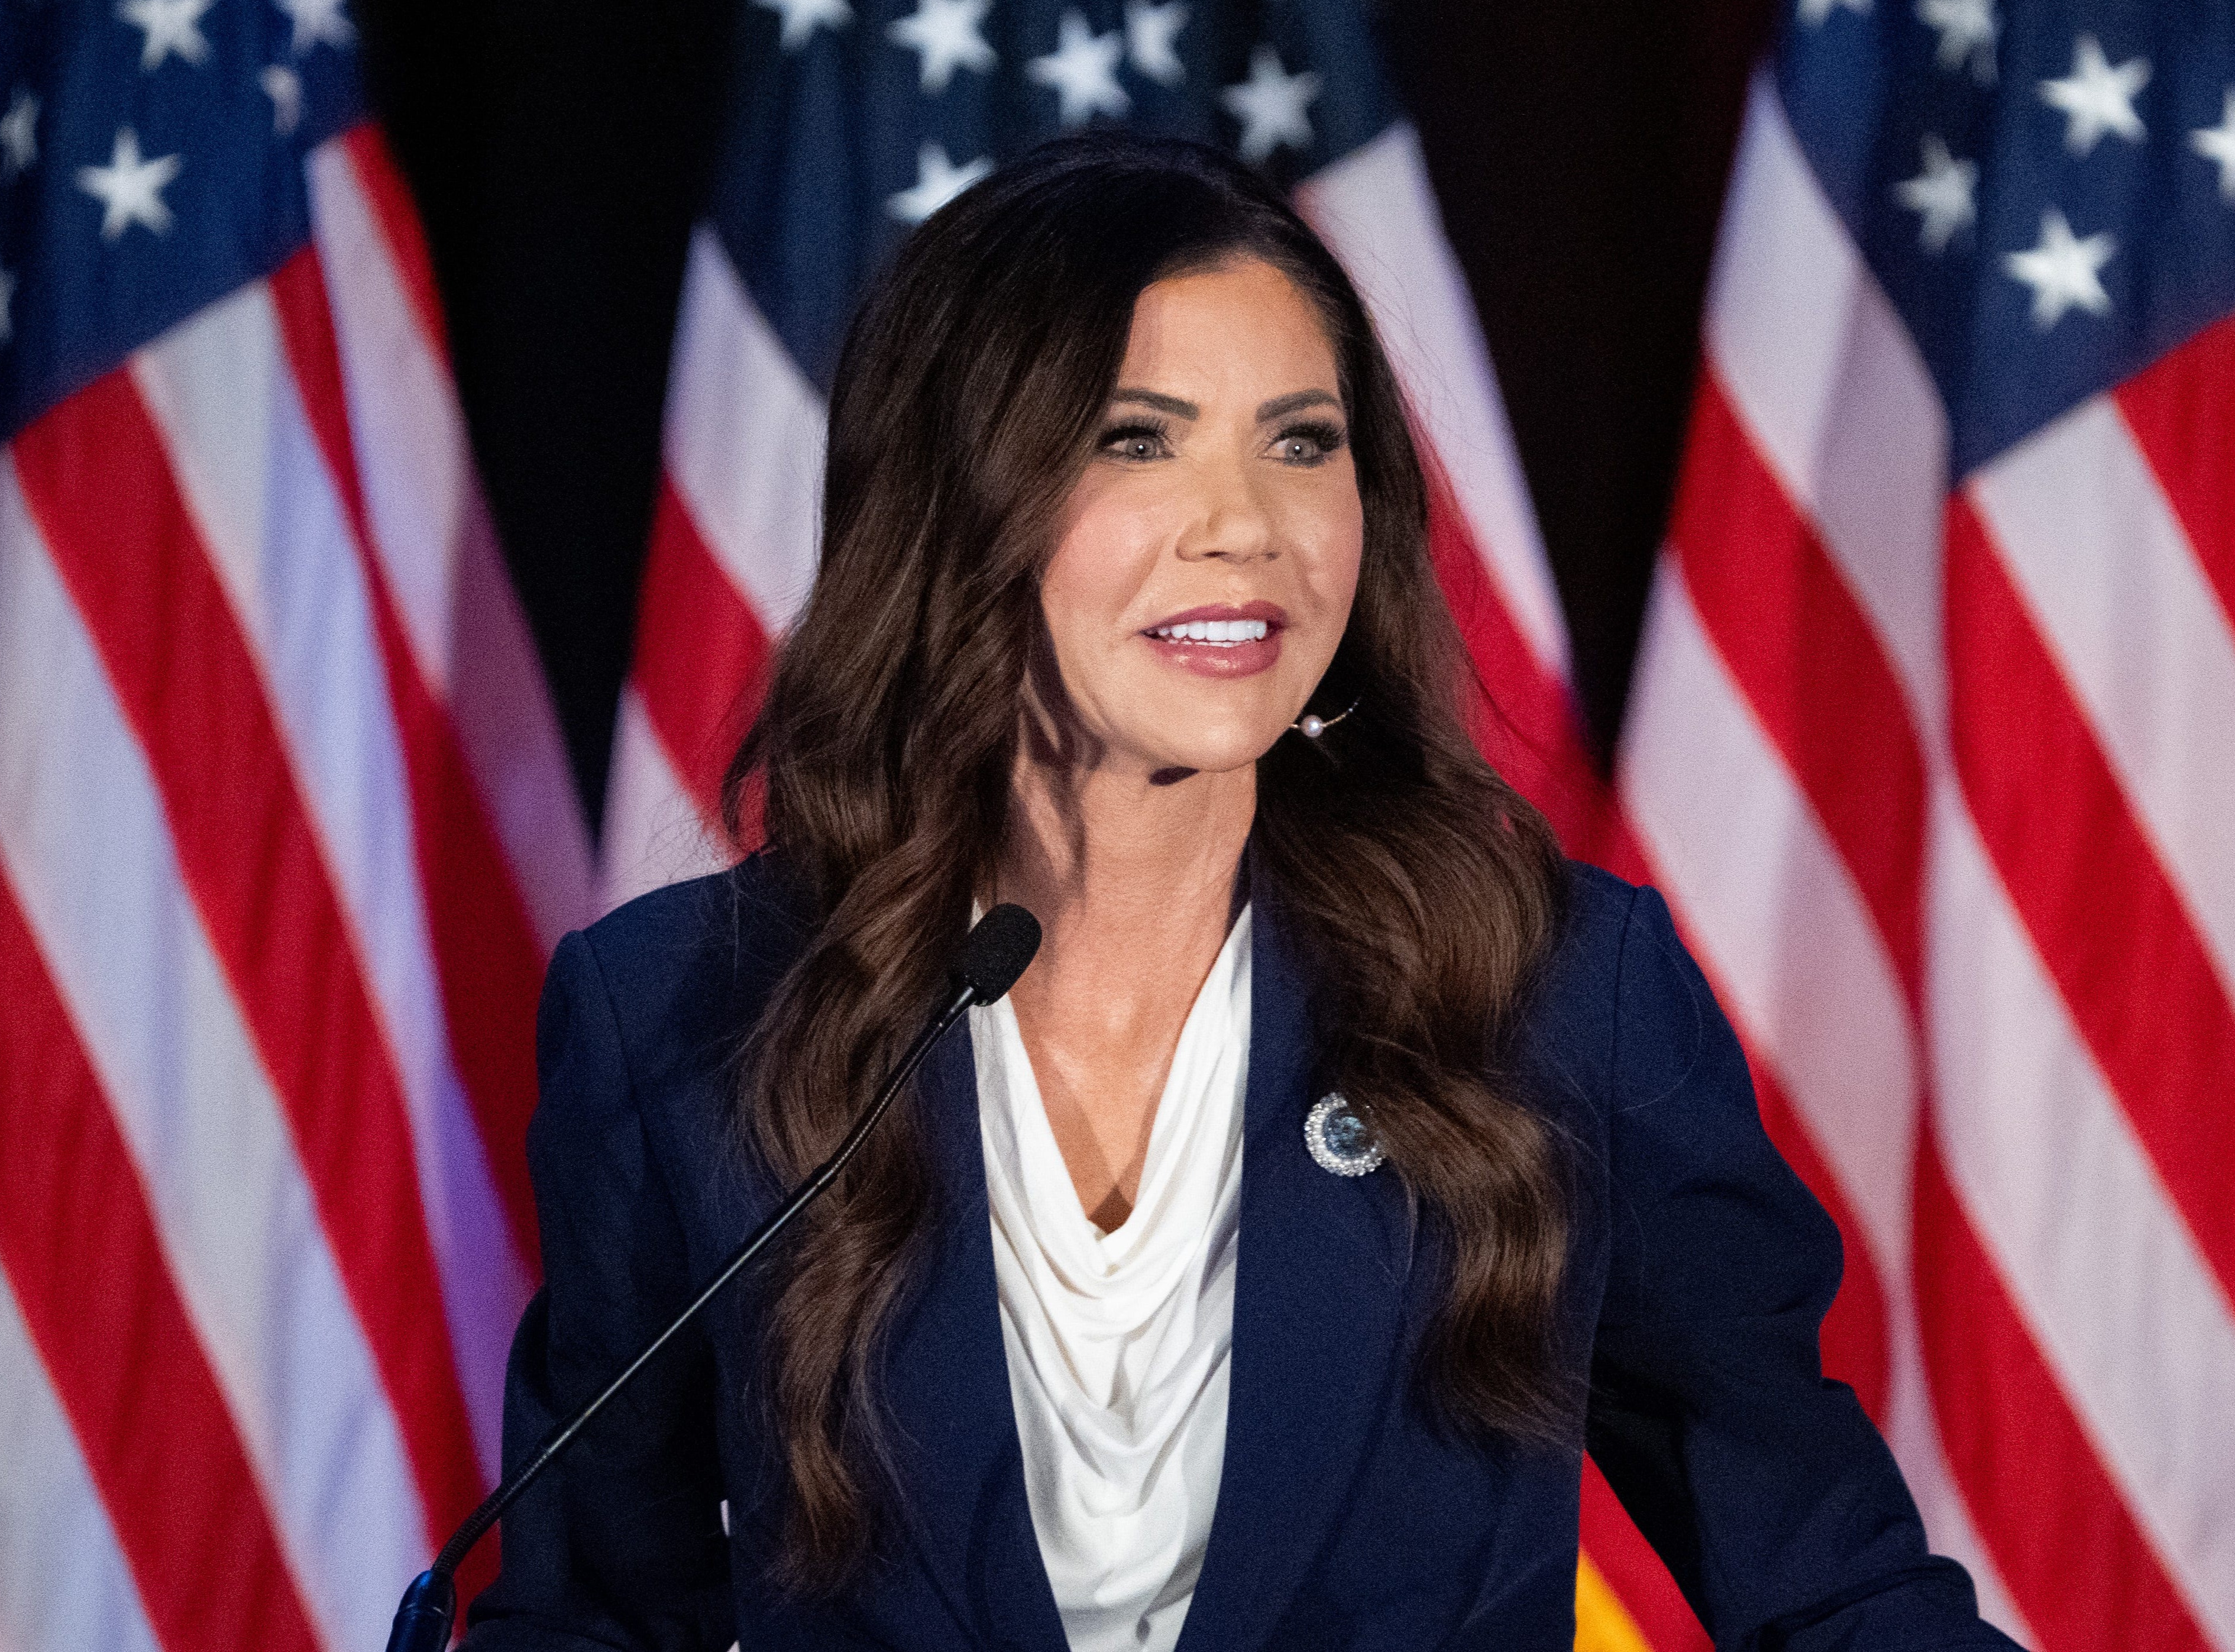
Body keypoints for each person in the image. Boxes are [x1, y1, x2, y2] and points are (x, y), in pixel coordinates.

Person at [467, 132, 2019, 1651]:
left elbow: (1831, 1591)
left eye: (1303, 442)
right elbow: (589, 1615)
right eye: (1139, 440)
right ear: (955, 503)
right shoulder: (682, 1016)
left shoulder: (1547, 997)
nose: (1248, 527)